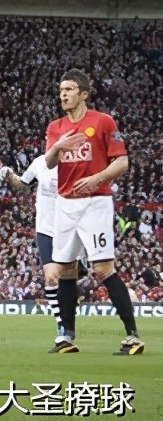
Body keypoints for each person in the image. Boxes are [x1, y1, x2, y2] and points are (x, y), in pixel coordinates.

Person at [43, 70, 143, 355]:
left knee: (101, 268)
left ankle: (132, 336)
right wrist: (59, 147)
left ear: (84, 93)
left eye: (70, 89)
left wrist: (98, 178)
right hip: (65, 203)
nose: (64, 94)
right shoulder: (55, 127)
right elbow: (50, 162)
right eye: (61, 89)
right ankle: (66, 336)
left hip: (95, 201)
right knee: (63, 270)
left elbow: (122, 162)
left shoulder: (102, 122)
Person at [0, 153, 74, 348]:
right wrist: (10, 175)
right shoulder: (40, 162)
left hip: (69, 228)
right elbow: (24, 184)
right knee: (50, 277)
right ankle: (62, 327)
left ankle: (69, 323)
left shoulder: (74, 163)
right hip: (45, 229)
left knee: (69, 280)